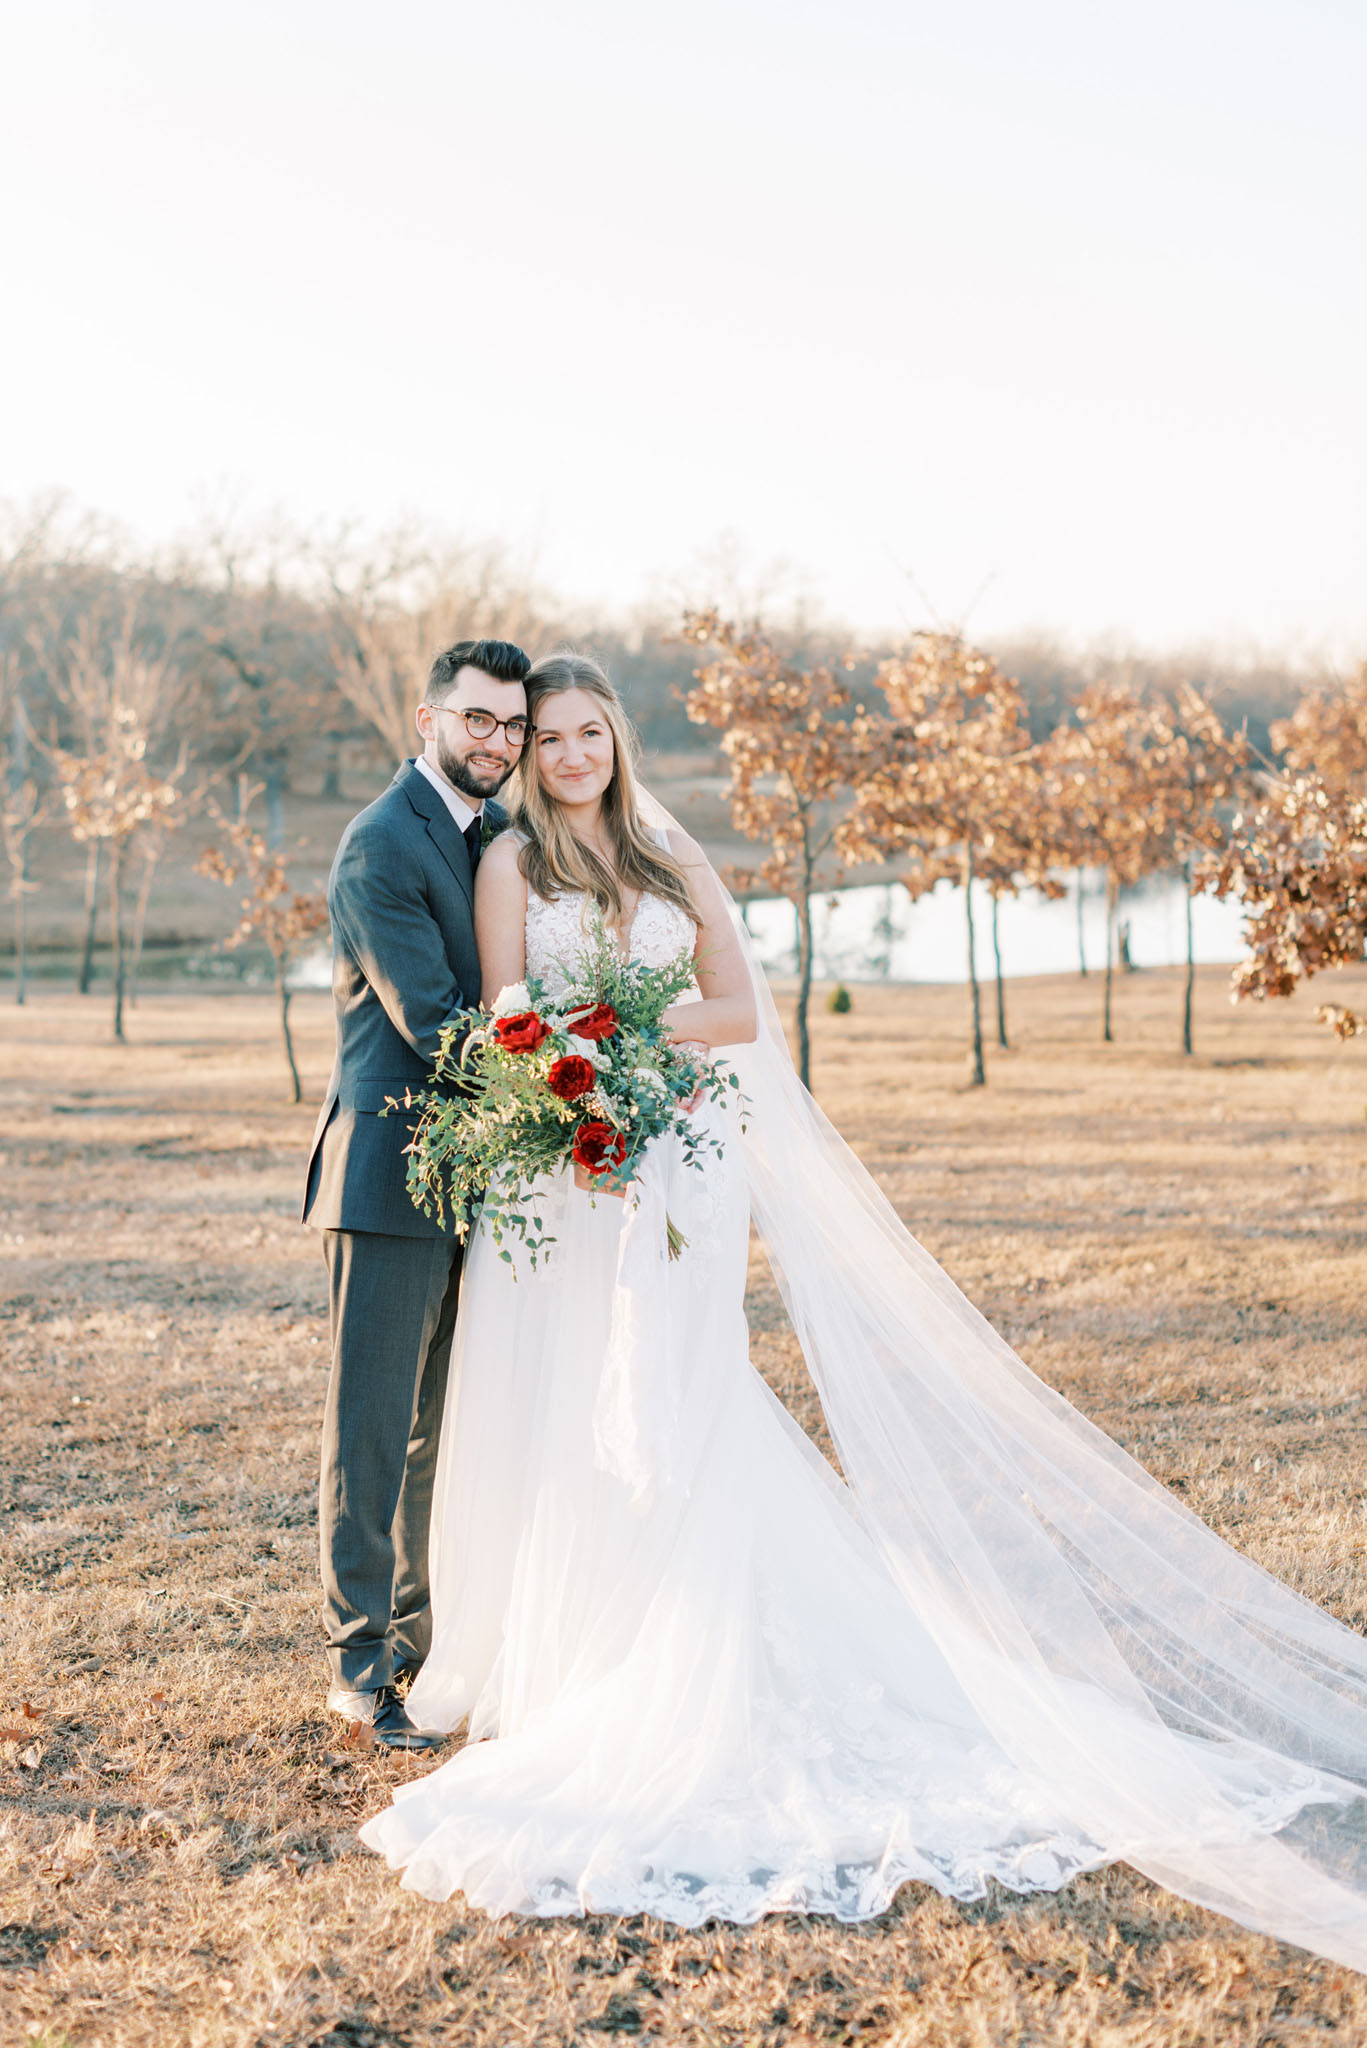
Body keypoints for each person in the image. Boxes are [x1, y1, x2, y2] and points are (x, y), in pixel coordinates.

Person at [361, 650, 1367, 1969]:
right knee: (557, 1399)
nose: (566, 756)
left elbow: (738, 1008)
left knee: (675, 1395)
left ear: (615, 737)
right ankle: (565, 1653)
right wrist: (572, 1066)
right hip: (561, 1170)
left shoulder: (669, 853)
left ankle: (694, 1644)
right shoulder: (509, 862)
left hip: (676, 1160)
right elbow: (503, 1008)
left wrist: (634, 1045)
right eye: (544, 738)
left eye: (584, 733)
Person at [303, 636, 531, 1748]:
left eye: (512, 724)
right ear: (426, 719)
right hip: (388, 1176)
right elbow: (437, 1023)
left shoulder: (494, 835)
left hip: (474, 1172)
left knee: (442, 1428)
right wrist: (569, 1084)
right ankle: (357, 1667)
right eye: (477, 718)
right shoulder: (382, 843)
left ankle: (422, 1645)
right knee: (374, 1427)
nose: (497, 740)